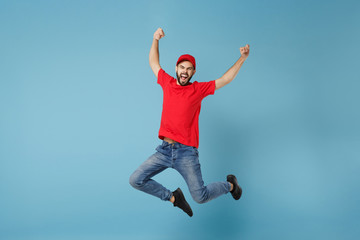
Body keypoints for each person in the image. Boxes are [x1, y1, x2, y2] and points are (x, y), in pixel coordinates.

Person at [129, 27, 250, 217]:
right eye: (182, 67)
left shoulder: (198, 90)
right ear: (176, 69)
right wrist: (155, 39)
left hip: (186, 153)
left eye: (189, 68)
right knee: (136, 179)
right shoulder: (167, 83)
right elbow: (153, 62)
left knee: (200, 197)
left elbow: (225, 79)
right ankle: (174, 198)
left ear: (193, 72)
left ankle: (231, 185)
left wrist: (242, 58)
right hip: (164, 150)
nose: (185, 71)